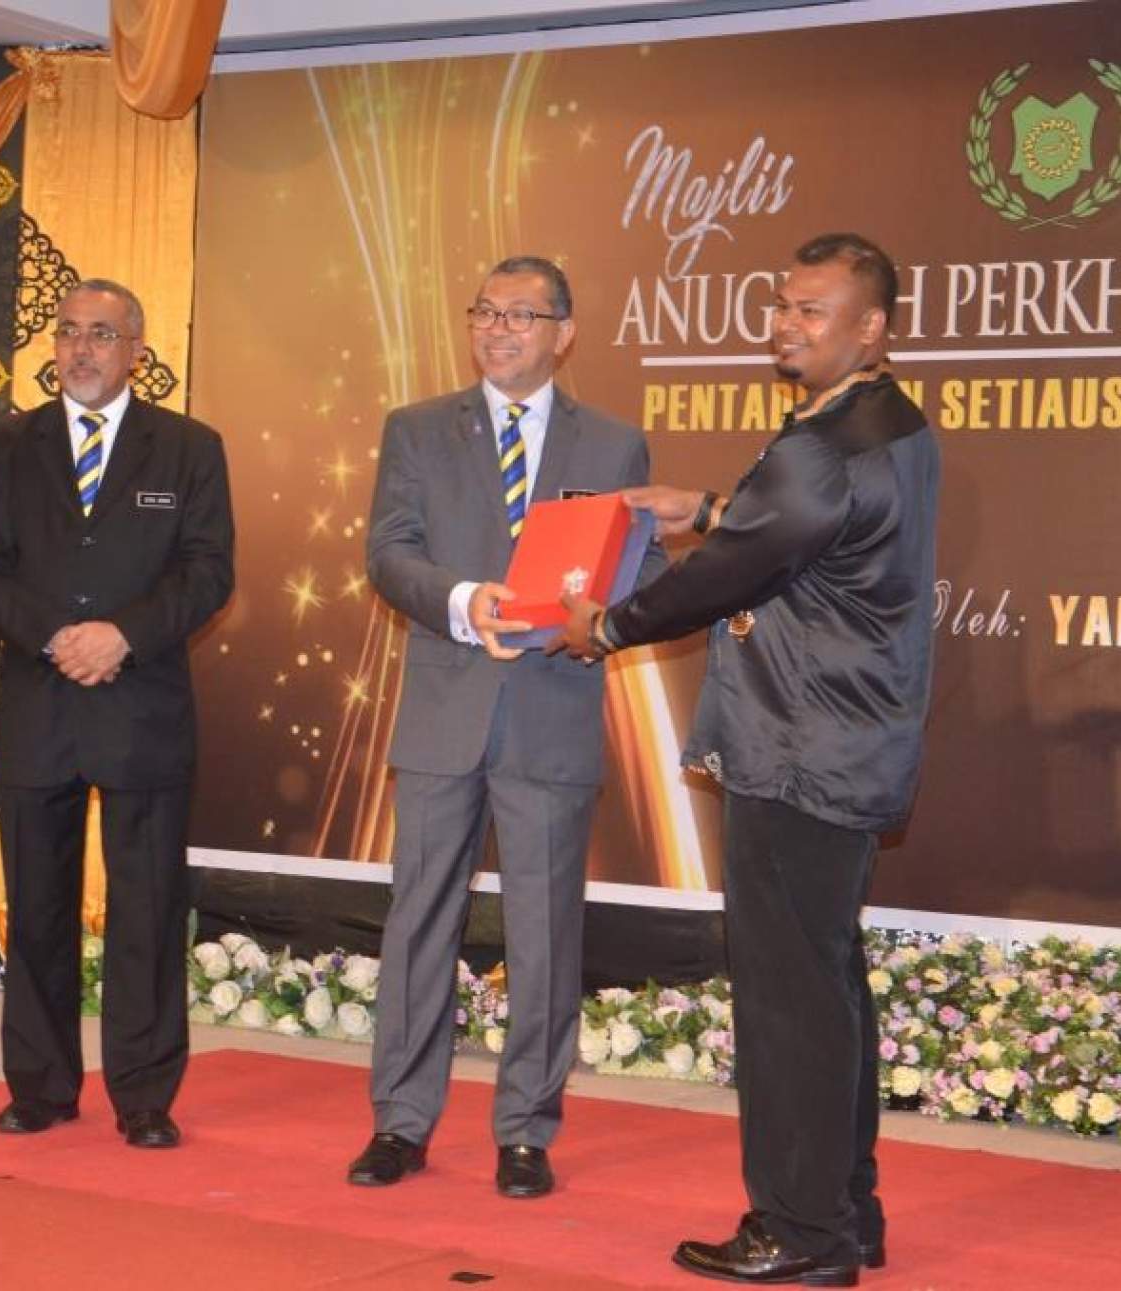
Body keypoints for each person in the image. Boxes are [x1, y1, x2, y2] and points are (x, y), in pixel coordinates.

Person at [558, 233, 939, 1285]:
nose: (785, 324)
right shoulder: (889, 420)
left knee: (786, 1000)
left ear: (872, 326)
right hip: (846, 740)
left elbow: (730, 574)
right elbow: (807, 535)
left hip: (798, 745)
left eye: (813, 310)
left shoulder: (827, 444)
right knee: (827, 984)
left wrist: (607, 626)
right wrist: (709, 509)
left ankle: (799, 1231)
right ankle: (845, 1212)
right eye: (782, 304)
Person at [350, 255, 662, 1199]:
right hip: (444, 709)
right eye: (485, 311)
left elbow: (636, 570)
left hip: (552, 711)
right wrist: (463, 599)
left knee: (545, 930)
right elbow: (389, 553)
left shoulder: (614, 444)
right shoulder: (416, 428)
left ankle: (526, 1128)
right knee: (419, 921)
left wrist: (599, 614)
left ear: (564, 334)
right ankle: (400, 1122)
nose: (498, 329)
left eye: (522, 315)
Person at [0, 278, 234, 1148]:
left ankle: (144, 1096)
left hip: (142, 708)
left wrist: (123, 636)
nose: (82, 349)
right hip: (39, 708)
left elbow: (207, 571)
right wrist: (55, 637)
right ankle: (40, 1086)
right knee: (36, 907)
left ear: (137, 352)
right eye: (69, 331)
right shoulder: (8, 445)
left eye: (102, 334)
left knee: (147, 911)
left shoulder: (189, 448)